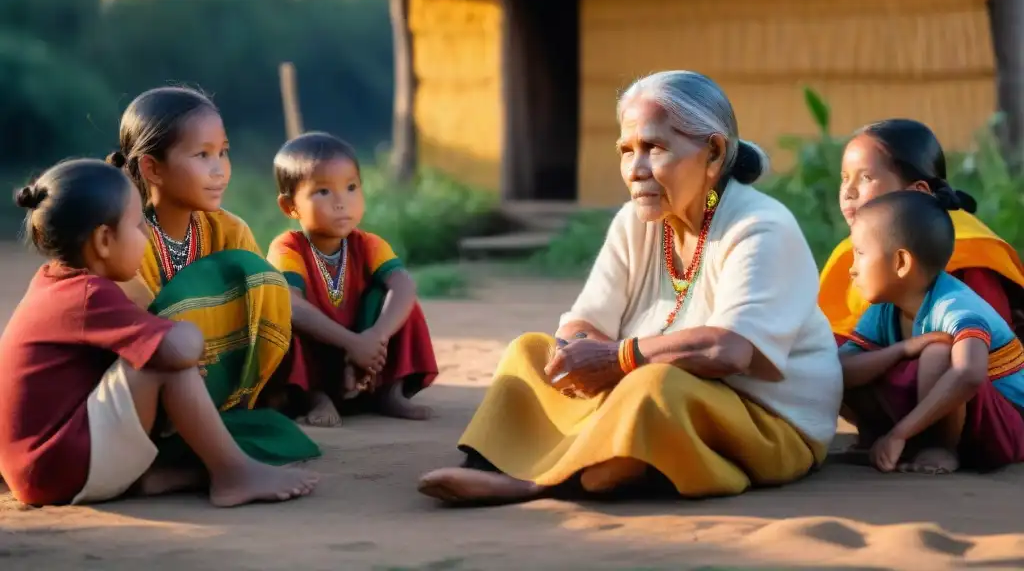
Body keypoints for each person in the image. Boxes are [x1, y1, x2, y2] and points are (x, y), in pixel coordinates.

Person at [418, 70, 843, 505]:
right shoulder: (635, 222)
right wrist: (579, 356)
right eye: (626, 151)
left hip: (767, 423)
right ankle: (516, 462)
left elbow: (729, 350)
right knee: (531, 353)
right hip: (655, 395)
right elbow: (584, 322)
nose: (635, 170)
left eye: (654, 148)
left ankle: (542, 483)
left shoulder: (760, 227)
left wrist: (618, 359)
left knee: (654, 386)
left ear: (713, 152)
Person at [0, 159, 318, 507]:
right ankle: (234, 473)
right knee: (165, 362)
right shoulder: (89, 294)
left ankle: (151, 478)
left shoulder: (54, 282)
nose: (148, 234)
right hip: (56, 466)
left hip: (36, 466)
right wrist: (188, 334)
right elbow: (177, 351)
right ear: (104, 240)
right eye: (138, 226)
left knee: (153, 352)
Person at [110, 86, 319, 466]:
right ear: (151, 168)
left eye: (223, 152)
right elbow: (136, 329)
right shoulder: (127, 239)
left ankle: (223, 420)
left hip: (221, 387)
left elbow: (269, 303)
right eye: (202, 155)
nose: (219, 169)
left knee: (261, 278)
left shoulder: (229, 230)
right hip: (157, 384)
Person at [839, 190, 1024, 474]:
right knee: (828, 354)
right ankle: (883, 438)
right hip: (941, 413)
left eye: (860, 254)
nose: (852, 269)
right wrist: (901, 349)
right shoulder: (886, 305)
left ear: (901, 263)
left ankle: (940, 446)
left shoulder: (955, 306)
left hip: (1009, 426)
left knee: (939, 355)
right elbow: (841, 368)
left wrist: (900, 432)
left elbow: (969, 373)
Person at [267, 132, 438, 427]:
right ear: (290, 206)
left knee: (400, 302)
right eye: (323, 192)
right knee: (283, 319)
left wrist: (374, 337)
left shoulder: (368, 244)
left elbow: (403, 283)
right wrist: (350, 343)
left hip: (369, 351)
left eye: (350, 187)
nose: (341, 202)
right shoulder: (288, 247)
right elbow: (291, 306)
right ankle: (315, 397)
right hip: (321, 350)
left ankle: (389, 390)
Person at [821, 119, 1024, 339]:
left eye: (866, 177)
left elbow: (987, 352)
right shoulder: (849, 253)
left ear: (918, 191)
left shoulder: (963, 256)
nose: (848, 191)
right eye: (845, 179)